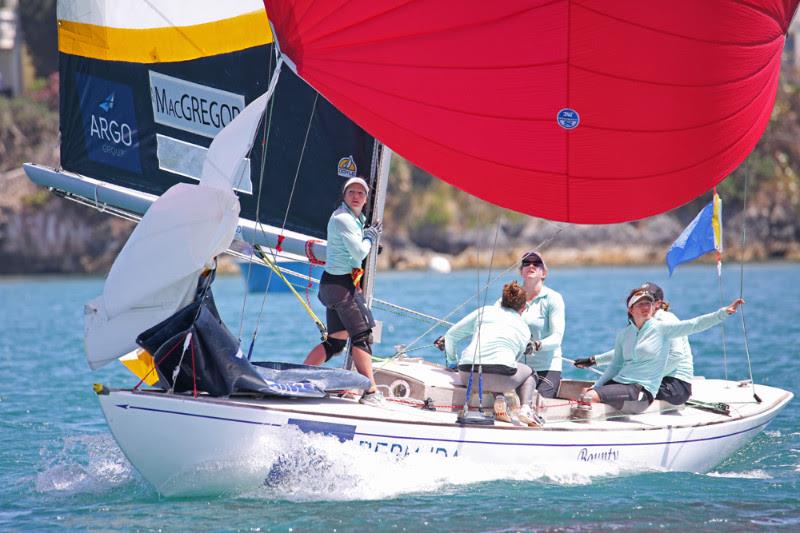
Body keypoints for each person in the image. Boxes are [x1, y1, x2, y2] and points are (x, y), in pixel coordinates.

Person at [578, 287, 744, 413]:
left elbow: (694, 325)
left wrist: (722, 314)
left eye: (649, 303)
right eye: (641, 304)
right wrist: (597, 386)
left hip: (642, 389)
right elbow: (615, 366)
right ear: (630, 309)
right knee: (586, 393)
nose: (646, 307)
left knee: (588, 398)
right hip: (622, 382)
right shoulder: (624, 334)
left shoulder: (662, 328)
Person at [303, 176, 384, 405]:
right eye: (352, 192)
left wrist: (367, 235)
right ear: (344, 196)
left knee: (336, 342)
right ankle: (370, 393)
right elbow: (359, 253)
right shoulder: (343, 219)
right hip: (341, 287)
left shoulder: (356, 219)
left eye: (361, 193)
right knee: (362, 336)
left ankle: (302, 377)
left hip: (334, 285)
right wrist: (370, 238)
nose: (356, 196)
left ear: (366, 198)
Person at [575, 282, 694, 405]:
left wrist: (644, 377)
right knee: (602, 388)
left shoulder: (665, 319)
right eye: (640, 301)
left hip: (676, 385)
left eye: (649, 301)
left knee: (612, 390)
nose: (644, 306)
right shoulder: (642, 324)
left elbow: (676, 356)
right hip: (658, 380)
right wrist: (594, 360)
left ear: (658, 303)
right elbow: (629, 352)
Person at [442, 281, 540, 426]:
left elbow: (450, 336)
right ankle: (525, 409)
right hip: (500, 378)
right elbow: (511, 362)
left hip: (467, 375)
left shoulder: (485, 311)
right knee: (530, 373)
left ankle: (500, 400)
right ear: (523, 308)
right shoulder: (524, 329)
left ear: (502, 301)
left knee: (493, 365)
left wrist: (452, 363)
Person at [509, 250, 565, 398]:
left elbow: (557, 337)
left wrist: (536, 345)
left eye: (537, 263)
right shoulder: (511, 297)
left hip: (546, 368)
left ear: (544, 273)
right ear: (521, 272)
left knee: (535, 402)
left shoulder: (553, 298)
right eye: (526, 263)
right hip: (517, 367)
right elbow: (490, 319)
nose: (531, 265)